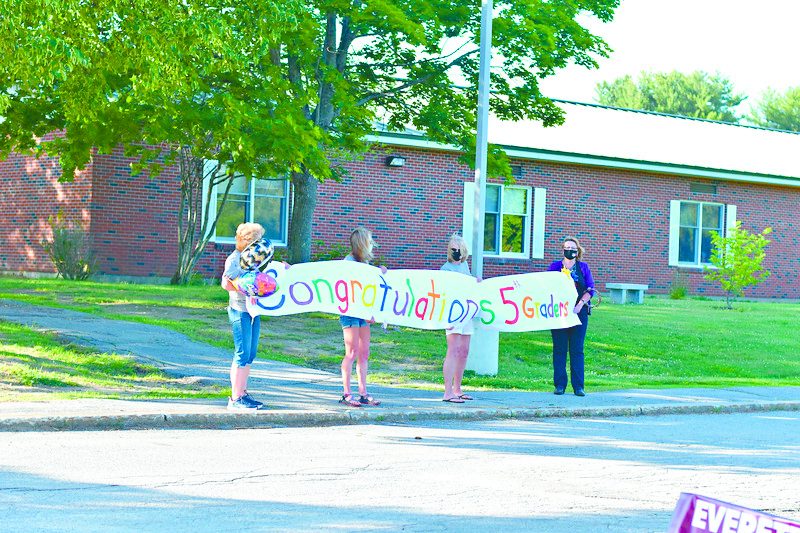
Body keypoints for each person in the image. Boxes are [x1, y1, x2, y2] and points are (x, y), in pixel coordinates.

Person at [220, 222, 267, 411]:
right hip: (240, 310)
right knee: (242, 353)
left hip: (253, 310)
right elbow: (225, 284)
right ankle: (235, 398)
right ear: (248, 241)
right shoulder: (234, 259)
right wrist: (246, 288)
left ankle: (243, 393)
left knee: (250, 354)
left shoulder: (254, 259)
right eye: (257, 240)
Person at [338, 226, 386, 407]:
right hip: (350, 312)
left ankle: (363, 393)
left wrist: (381, 273)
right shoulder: (348, 263)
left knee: (364, 352)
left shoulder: (365, 265)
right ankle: (346, 393)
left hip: (363, 313)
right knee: (351, 352)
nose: (372, 244)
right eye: (369, 241)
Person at [547, 236, 596, 397]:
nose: (570, 251)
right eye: (567, 248)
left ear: (577, 251)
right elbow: (545, 285)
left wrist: (581, 304)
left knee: (577, 349)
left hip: (578, 312)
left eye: (573, 249)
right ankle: (560, 384)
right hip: (559, 313)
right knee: (559, 349)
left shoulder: (583, 267)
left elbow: (590, 289)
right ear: (563, 250)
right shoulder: (555, 267)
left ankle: (578, 386)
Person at [440, 234, 477, 403]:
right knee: (453, 350)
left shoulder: (465, 266)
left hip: (466, 312)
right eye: (453, 249)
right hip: (453, 314)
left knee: (464, 351)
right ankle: (448, 392)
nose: (456, 252)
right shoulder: (445, 269)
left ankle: (457, 389)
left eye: (459, 249)